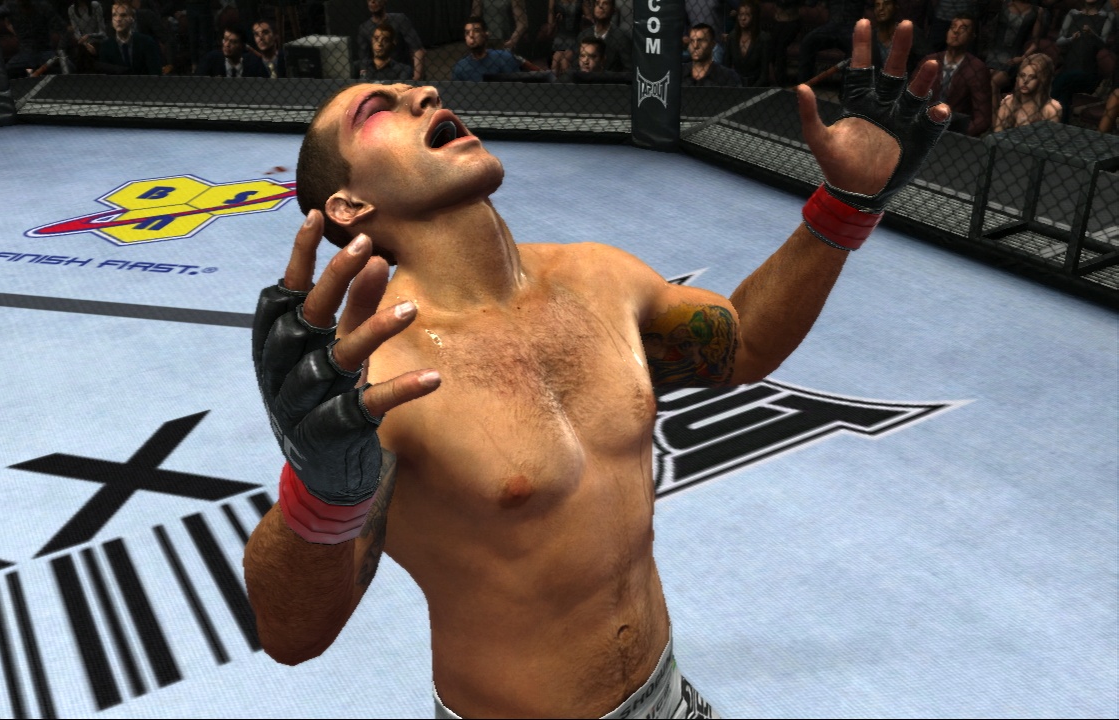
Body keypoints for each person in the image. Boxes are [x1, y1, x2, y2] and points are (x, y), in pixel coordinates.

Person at [244, 17, 952, 720]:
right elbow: (292, 636)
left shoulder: (597, 276)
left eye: (415, 90)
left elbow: (739, 345)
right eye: (379, 109)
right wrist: (318, 492)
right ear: (348, 205)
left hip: (668, 695)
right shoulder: (381, 380)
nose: (424, 94)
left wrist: (846, 206)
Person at [921, 13, 992, 135]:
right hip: (923, 125)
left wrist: (958, 136)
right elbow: (911, 96)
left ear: (972, 36)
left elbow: (983, 118)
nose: (956, 31)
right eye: (953, 27)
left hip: (954, 130)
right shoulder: (930, 61)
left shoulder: (977, 68)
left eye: (963, 28)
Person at [1051, 0, 1114, 123]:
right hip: (1068, 67)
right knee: (1065, 91)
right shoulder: (1073, 14)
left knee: (1061, 82)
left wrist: (1092, 34)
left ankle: (1046, 112)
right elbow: (1059, 41)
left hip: (1088, 72)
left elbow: (1104, 44)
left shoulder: (1106, 17)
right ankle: (1062, 122)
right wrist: (1071, 39)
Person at [983, 0, 1043, 123]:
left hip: (1014, 57)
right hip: (994, 54)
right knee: (986, 83)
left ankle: (996, 122)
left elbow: (1035, 44)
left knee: (993, 83)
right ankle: (998, 118)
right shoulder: (1004, 4)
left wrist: (1022, 58)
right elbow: (990, 28)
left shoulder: (1037, 11)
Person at [357, 0, 426, 82]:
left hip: (403, 73)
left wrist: (416, 78)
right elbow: (364, 60)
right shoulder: (364, 28)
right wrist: (364, 79)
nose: (373, 1)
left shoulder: (399, 20)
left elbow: (418, 50)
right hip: (380, 75)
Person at [89, 2, 164, 74]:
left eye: (123, 15)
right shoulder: (106, 46)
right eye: (114, 15)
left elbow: (155, 72)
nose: (118, 19)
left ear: (132, 18)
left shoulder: (147, 42)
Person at [992, 52, 1061, 130]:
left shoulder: (1052, 109)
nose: (1025, 81)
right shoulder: (1008, 102)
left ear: (1042, 80)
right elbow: (997, 132)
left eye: (1032, 77)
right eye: (1023, 75)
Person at [453, 17, 528, 81]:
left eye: (476, 31)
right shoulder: (460, 67)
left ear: (485, 34)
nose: (471, 35)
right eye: (467, 32)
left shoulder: (504, 57)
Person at [725, 0, 772, 86]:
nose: (743, 18)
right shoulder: (732, 37)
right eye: (741, 14)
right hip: (736, 84)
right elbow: (726, 67)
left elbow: (764, 74)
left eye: (747, 15)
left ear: (754, 17)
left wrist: (752, 89)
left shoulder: (763, 39)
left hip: (757, 85)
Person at [577, 0, 631, 72]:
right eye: (597, 3)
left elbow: (628, 70)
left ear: (613, 9)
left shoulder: (622, 38)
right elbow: (575, 66)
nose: (600, 6)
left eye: (605, 3)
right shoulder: (583, 35)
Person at [196, 24, 267, 76]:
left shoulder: (254, 64)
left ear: (242, 46)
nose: (227, 45)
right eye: (225, 39)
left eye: (233, 42)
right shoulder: (211, 59)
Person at [544, 0, 585, 75]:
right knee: (555, 61)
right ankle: (555, 82)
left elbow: (589, 19)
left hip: (576, 38)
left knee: (564, 62)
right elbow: (550, 30)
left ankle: (568, 81)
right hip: (559, 40)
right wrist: (556, 21)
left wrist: (582, 19)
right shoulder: (552, 1)